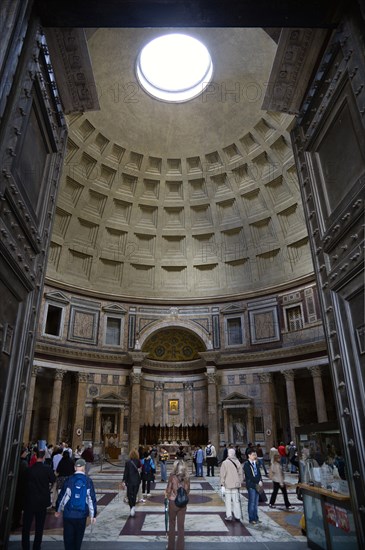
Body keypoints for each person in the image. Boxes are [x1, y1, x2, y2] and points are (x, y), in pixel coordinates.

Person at [55, 458, 97, 550]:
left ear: (75, 468)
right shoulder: (88, 481)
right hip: (81, 515)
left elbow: (62, 496)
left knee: (68, 541)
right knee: (78, 541)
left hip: (68, 515)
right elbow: (91, 499)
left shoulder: (69, 480)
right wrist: (93, 515)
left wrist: (57, 509)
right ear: (84, 468)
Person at [22, 449, 56, 550]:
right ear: (44, 457)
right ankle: (37, 547)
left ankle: (25, 547)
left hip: (29, 501)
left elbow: (24, 485)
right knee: (39, 527)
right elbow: (53, 480)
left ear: (35, 456)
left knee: (26, 527)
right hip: (42, 501)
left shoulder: (29, 469)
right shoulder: (47, 469)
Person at [165, 460, 190, 550]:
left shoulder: (172, 476)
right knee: (181, 527)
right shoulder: (187, 477)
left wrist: (167, 497)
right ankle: (180, 547)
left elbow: (168, 489)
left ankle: (171, 547)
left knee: (172, 524)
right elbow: (188, 491)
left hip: (172, 502)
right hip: (183, 503)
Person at [219, 447, 243, 522]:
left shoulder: (225, 462)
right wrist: (239, 482)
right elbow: (241, 474)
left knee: (228, 501)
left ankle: (229, 515)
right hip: (235, 485)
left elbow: (222, 474)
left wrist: (222, 484)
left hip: (227, 485)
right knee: (236, 500)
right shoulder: (238, 462)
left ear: (228, 454)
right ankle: (237, 516)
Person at [243, 449, 263, 525]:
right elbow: (249, 476)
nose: (255, 456)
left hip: (257, 485)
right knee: (251, 502)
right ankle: (251, 519)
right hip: (251, 485)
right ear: (249, 455)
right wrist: (258, 481)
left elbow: (259, 473)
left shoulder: (256, 463)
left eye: (255, 455)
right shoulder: (246, 465)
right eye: (253, 455)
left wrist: (260, 480)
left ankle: (256, 517)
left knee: (256, 503)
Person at [11, 447, 29, 530]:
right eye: (25, 452)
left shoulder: (14, 461)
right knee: (18, 506)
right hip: (21, 487)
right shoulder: (24, 463)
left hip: (14, 486)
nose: (26, 453)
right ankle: (15, 522)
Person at [122, 449, 141, 517]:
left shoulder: (128, 462)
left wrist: (123, 480)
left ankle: (131, 507)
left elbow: (125, 472)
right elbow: (140, 468)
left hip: (129, 480)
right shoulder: (138, 461)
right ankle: (133, 507)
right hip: (136, 480)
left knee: (130, 495)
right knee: (134, 494)